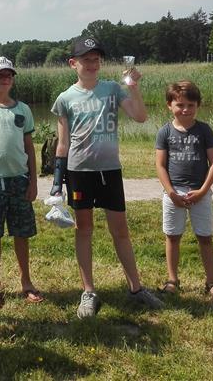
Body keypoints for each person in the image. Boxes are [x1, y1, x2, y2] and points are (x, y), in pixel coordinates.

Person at [51, 36, 164, 318]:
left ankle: (136, 288)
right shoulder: (65, 98)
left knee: (120, 230)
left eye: (96, 59)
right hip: (79, 171)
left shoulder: (113, 89)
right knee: (84, 229)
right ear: (73, 63)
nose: (92, 64)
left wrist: (134, 88)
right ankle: (88, 291)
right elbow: (62, 144)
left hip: (110, 170)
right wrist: (56, 182)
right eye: (86, 60)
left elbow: (140, 116)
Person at [155, 80, 213, 302]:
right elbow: (160, 165)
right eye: (180, 105)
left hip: (200, 193)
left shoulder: (204, 130)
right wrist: (171, 193)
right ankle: (172, 280)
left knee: (205, 237)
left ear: (198, 105)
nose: (185, 110)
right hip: (173, 193)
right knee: (172, 236)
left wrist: (203, 191)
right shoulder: (164, 132)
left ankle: (211, 282)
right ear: (169, 105)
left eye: (190, 105)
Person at [0, 56, 43, 310]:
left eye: (9, 75)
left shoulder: (23, 109)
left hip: (19, 180)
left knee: (21, 233)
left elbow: (29, 147)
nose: (5, 80)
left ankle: (26, 280)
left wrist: (33, 181)